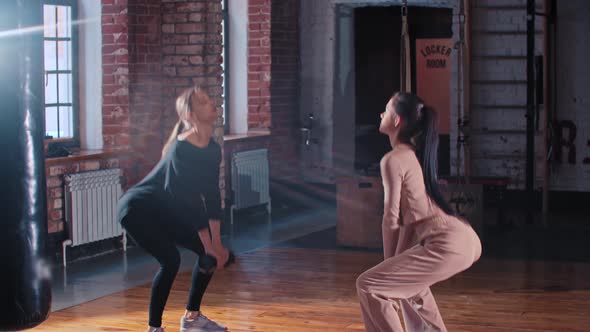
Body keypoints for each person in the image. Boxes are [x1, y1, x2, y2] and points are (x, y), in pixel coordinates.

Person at [356, 92, 482, 332]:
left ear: (397, 121)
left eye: (387, 110)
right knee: (411, 288)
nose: (381, 114)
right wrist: (393, 268)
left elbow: (391, 219)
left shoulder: (393, 159)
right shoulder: (415, 156)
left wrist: (387, 267)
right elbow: (407, 223)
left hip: (448, 242)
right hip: (466, 239)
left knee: (369, 285)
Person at [117, 86, 234, 332]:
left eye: (209, 98)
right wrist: (208, 242)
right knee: (171, 260)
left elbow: (212, 195)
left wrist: (217, 244)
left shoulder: (212, 149)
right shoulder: (181, 149)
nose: (212, 102)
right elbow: (185, 198)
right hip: (139, 208)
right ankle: (154, 329)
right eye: (203, 102)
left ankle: (192, 318)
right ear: (189, 115)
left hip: (165, 208)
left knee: (208, 257)